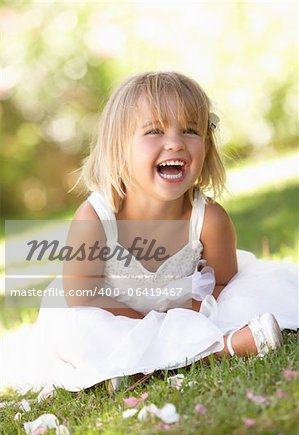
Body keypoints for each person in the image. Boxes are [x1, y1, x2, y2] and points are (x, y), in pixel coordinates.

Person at [1, 72, 298, 393]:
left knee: (247, 300)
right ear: (119, 147)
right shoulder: (97, 217)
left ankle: (143, 368)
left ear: (206, 144)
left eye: (190, 130)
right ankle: (217, 350)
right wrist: (146, 323)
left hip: (186, 309)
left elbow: (225, 282)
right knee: (79, 329)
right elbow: (81, 295)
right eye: (154, 131)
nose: (175, 142)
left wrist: (191, 312)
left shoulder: (209, 218)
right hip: (111, 311)